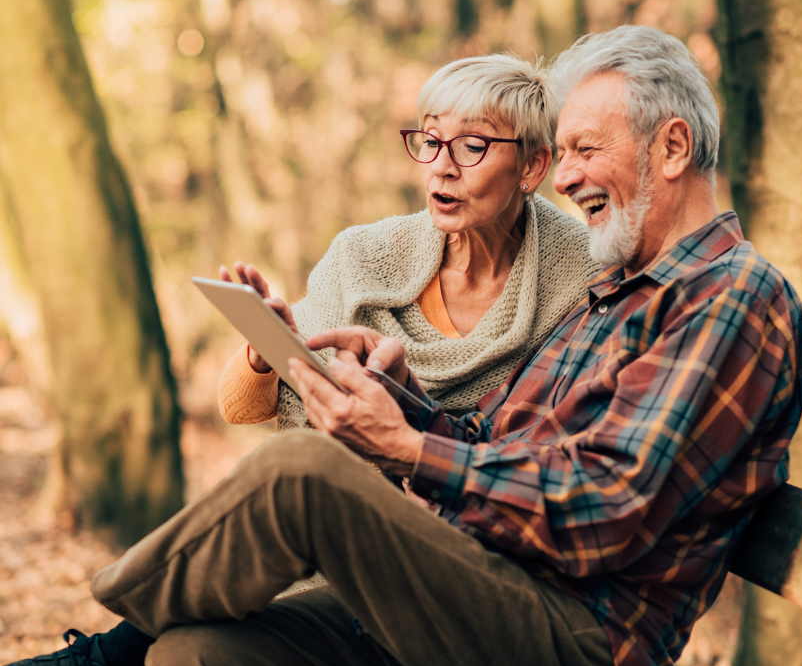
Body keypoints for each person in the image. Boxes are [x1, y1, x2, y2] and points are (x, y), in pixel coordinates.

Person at [0, 25, 802, 666]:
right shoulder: (619, 291)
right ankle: (137, 648)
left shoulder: (731, 298)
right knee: (195, 664)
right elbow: (497, 442)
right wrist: (401, 408)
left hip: (578, 646)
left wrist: (409, 453)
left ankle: (103, 655)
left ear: (672, 147)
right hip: (487, 590)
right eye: (563, 153)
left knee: (303, 470)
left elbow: (610, 510)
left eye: (583, 151)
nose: (566, 178)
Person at [215, 53, 599, 431]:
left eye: (471, 145)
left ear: (532, 165)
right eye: (430, 141)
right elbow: (239, 409)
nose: (441, 167)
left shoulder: (586, 277)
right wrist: (267, 347)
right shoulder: (363, 257)